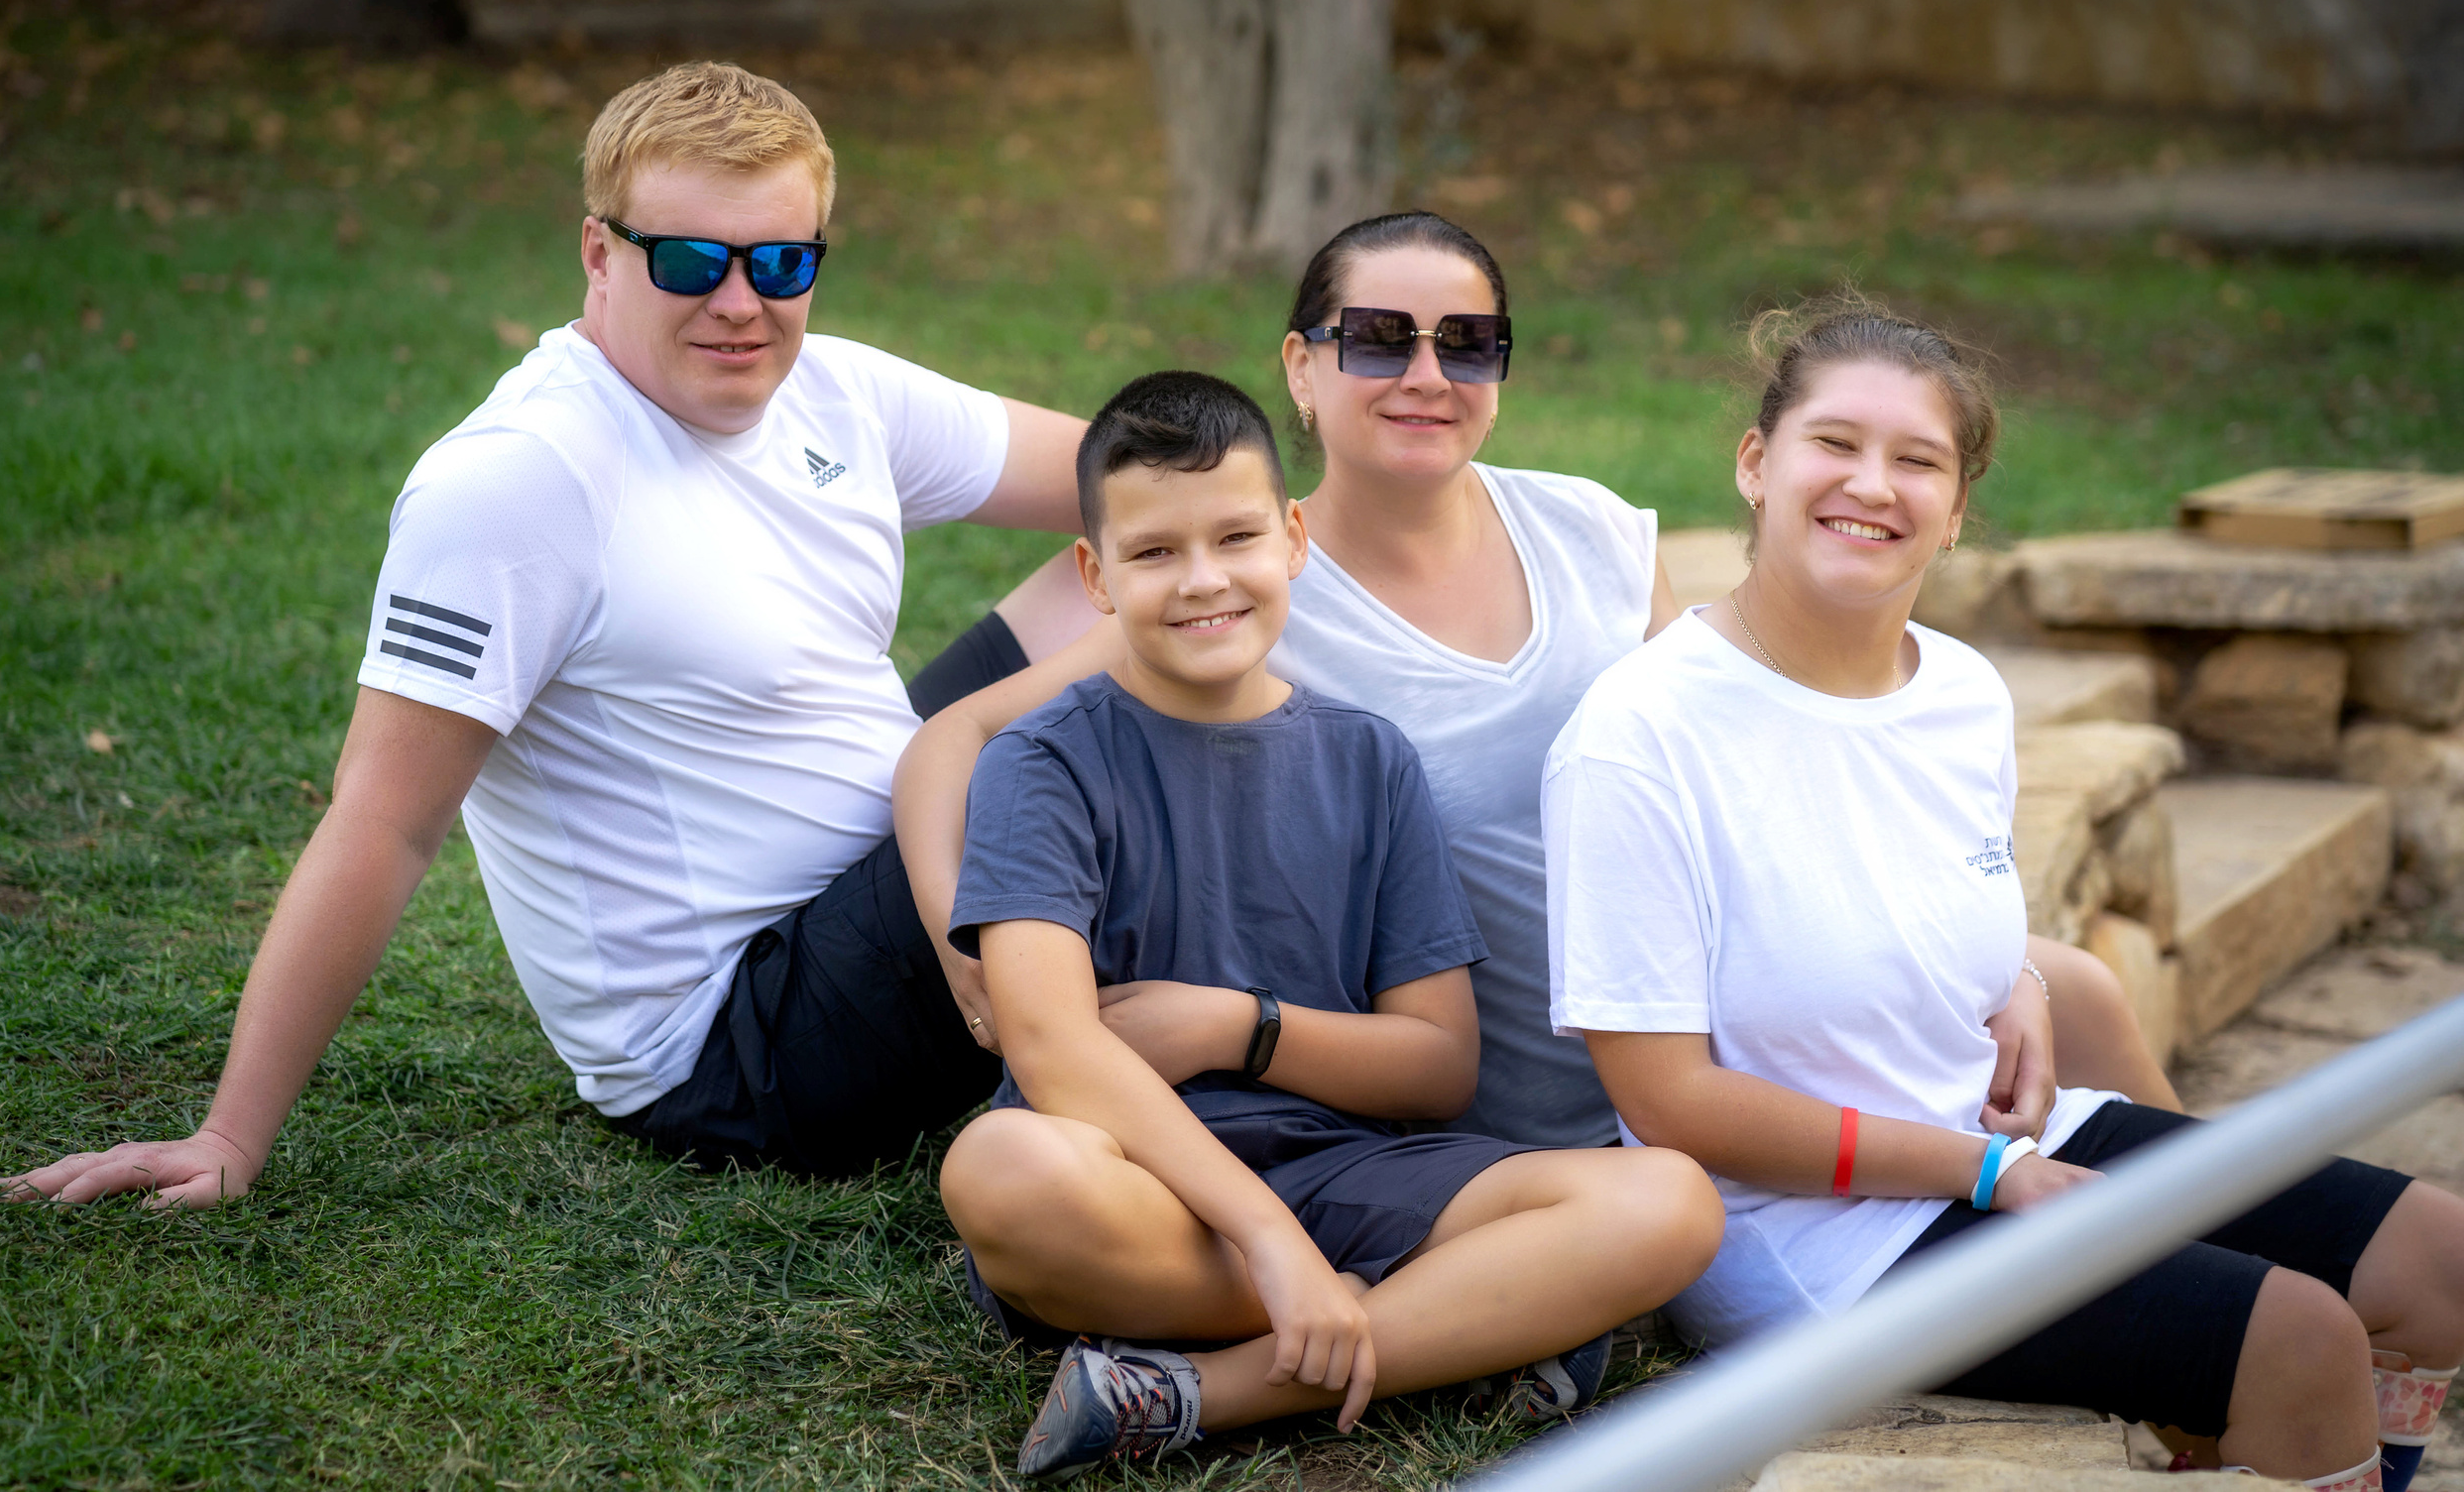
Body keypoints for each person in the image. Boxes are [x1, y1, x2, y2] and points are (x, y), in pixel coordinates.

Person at [0, 60, 1102, 1207]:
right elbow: (383, 820)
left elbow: (1131, 481)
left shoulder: (834, 391)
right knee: (1151, 690)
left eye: (781, 262)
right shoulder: (520, 483)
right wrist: (228, 1137)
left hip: (880, 866)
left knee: (1162, 564)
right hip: (747, 1034)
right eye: (687, 260)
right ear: (598, 254)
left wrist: (1251, 522)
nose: (740, 302)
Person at [897, 211, 2174, 1164]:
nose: (1425, 374)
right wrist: (981, 962)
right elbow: (952, 738)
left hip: (1727, 973)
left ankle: (2278, 1348)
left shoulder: (1592, 529)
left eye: (1468, 343)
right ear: (1299, 366)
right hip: (1521, 1078)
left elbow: (1759, 748)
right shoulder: (1246, 588)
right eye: (1377, 341)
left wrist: (1988, 954)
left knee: (2080, 992)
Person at [1549, 298, 2464, 1492]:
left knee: (2436, 1259)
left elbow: (1936, 908)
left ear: (1957, 511)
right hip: (1815, 1235)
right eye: (1835, 443)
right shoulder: (1639, 737)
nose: (1871, 485)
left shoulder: (1963, 692)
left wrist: (2019, 978)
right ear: (1755, 464)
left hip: (1995, 1141)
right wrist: (1981, 1174)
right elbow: (1665, 1101)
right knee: (2298, 1341)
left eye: (1916, 460)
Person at [932, 370, 1722, 1478]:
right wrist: (1268, 1238)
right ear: (1093, 575)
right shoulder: (1043, 762)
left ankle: (1202, 1389)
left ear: (1293, 537)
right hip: (1136, 1183)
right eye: (1154, 552)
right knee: (1001, 1170)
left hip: (1350, 1171)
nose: (1203, 580)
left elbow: (1437, 1067)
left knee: (1669, 1204)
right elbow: (1052, 1044)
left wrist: (1240, 1027)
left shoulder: (1369, 759)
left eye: (1236, 537)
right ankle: (1452, 1329)